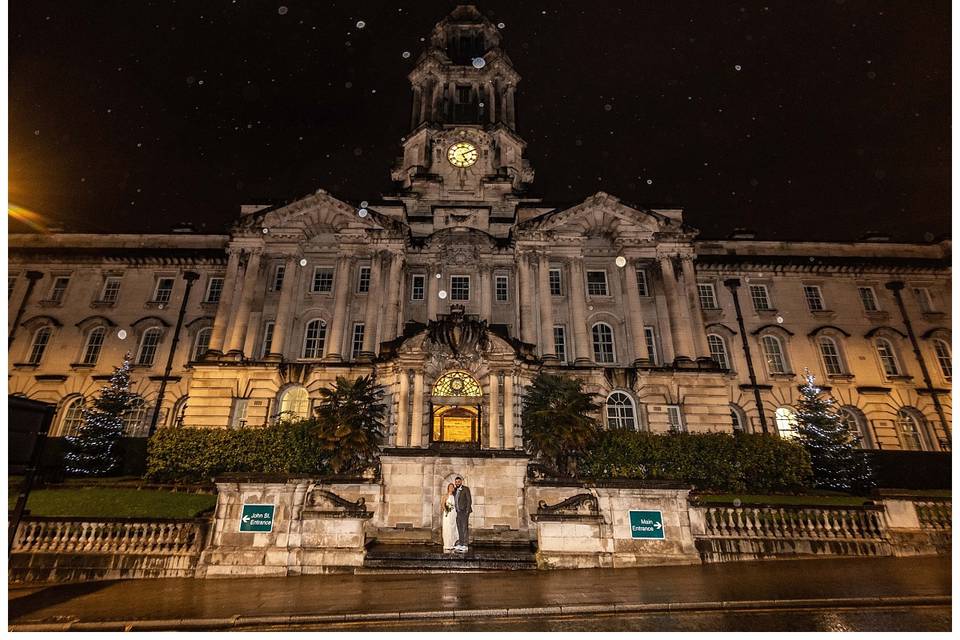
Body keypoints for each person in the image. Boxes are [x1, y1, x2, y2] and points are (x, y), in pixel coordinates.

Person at [453, 476, 472, 553]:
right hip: (458, 512)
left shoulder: (465, 489)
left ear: (461, 482)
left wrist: (467, 511)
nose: (457, 483)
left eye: (458, 482)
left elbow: (469, 500)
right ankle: (461, 543)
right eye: (456, 482)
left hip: (464, 511)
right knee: (459, 527)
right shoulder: (455, 490)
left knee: (464, 527)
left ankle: (465, 544)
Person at [441, 482, 457, 552]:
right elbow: (442, 504)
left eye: (452, 487)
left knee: (453, 528)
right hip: (447, 514)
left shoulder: (454, 496)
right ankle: (447, 544)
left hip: (454, 514)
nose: (451, 488)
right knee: (448, 528)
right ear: (448, 488)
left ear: (453, 488)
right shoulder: (445, 496)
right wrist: (446, 510)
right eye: (450, 487)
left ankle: (453, 544)